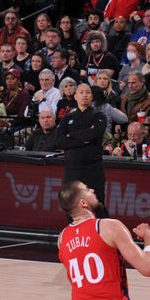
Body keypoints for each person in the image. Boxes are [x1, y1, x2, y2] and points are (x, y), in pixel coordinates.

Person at [54, 84, 109, 215]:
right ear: (75, 96)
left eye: (88, 92)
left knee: (97, 204)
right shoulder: (67, 118)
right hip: (72, 170)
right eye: (81, 92)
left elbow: (93, 134)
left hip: (93, 170)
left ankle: (100, 232)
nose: (84, 95)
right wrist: (82, 139)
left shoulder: (99, 116)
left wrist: (71, 135)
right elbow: (59, 141)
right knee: (71, 204)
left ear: (92, 96)